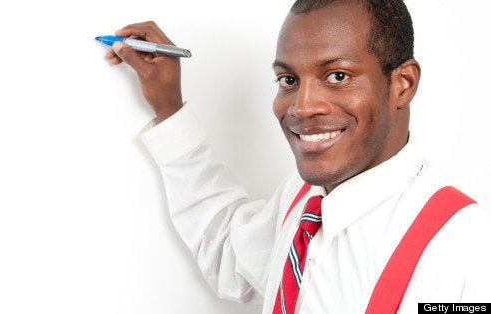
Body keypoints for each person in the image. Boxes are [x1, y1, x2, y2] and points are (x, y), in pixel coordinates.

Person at [104, 0, 491, 313]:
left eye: (337, 76)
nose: (302, 108)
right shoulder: (305, 199)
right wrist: (170, 110)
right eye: (288, 80)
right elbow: (231, 254)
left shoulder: (465, 248)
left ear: (402, 84)